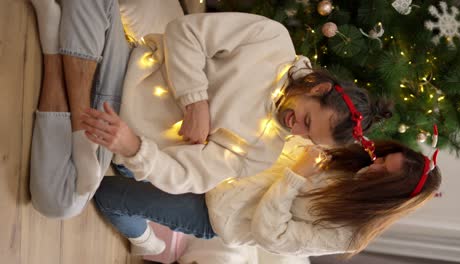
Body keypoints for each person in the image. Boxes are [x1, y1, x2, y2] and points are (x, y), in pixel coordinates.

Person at [29, 0, 389, 219]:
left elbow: (189, 177)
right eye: (308, 119)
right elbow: (186, 32)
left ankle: (52, 46)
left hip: (113, 135)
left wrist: (133, 148)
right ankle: (75, 110)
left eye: (309, 136)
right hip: (119, 68)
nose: (298, 130)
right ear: (319, 87)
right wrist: (195, 100)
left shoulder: (262, 153)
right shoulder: (272, 39)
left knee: (59, 205)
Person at [93, 139, 442, 256]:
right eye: (383, 159)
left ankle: (144, 241)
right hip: (217, 170)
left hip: (215, 213)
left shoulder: (348, 231)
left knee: (107, 193)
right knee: (122, 159)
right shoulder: (355, 161)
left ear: (389, 194)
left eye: (383, 173)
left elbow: (271, 236)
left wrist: (295, 177)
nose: (374, 165)